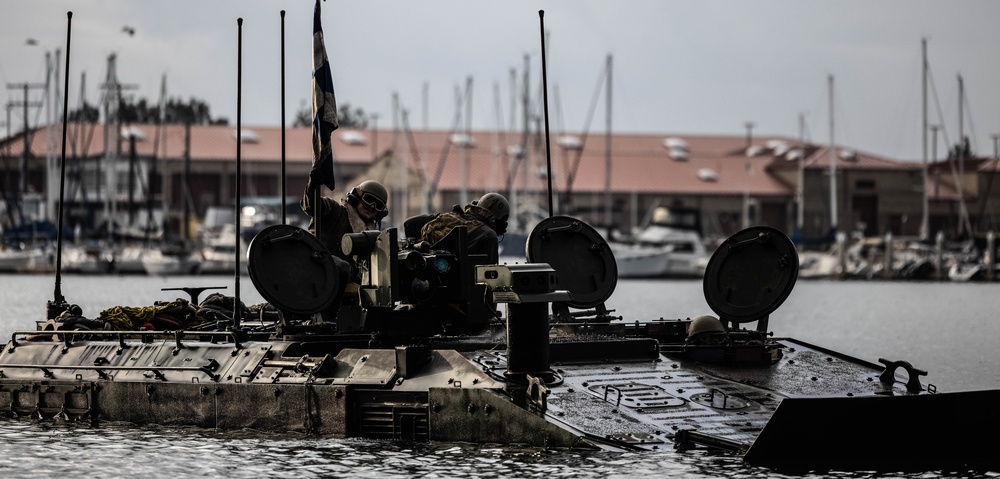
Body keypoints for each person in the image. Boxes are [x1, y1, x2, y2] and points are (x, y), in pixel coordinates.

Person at [300, 170, 388, 322]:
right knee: (342, 267)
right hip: (318, 275)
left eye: (378, 205)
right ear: (356, 197)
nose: (372, 207)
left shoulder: (371, 233)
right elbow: (312, 206)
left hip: (348, 295)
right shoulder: (335, 211)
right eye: (368, 200)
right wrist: (312, 186)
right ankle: (327, 320)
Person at [404, 192, 509, 264]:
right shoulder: (489, 235)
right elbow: (491, 275)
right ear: (499, 220)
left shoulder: (447, 217)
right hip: (462, 289)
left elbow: (409, 224)